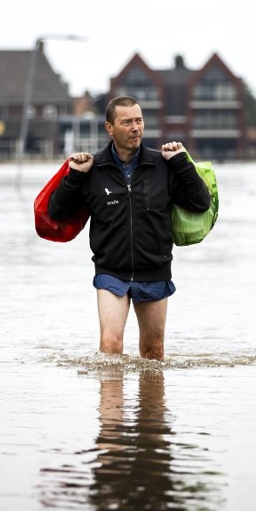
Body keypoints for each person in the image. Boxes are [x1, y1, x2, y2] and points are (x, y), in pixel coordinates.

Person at [48, 96, 211, 361]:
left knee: (153, 352)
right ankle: (111, 404)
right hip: (111, 271)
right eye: (127, 122)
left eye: (139, 120)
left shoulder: (163, 165)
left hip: (154, 269)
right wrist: (75, 174)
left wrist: (181, 161)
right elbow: (57, 212)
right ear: (109, 128)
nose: (135, 127)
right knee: (110, 346)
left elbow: (200, 202)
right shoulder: (94, 169)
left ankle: (151, 404)